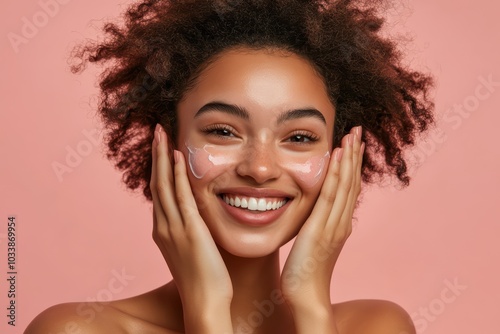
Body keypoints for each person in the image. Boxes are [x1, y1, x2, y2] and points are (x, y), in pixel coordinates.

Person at [25, 0, 434, 333]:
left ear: (344, 155)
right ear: (166, 140)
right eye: (223, 131)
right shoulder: (77, 330)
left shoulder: (377, 327)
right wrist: (206, 311)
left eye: (299, 138)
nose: (259, 169)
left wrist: (311, 305)